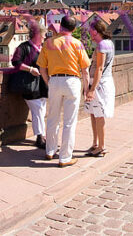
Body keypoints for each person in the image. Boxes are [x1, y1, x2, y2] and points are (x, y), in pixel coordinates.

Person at [38, 17, 94, 167]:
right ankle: (65, 157)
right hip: (72, 82)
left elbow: (42, 68)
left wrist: (48, 82)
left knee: (52, 118)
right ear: (74, 29)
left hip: (55, 80)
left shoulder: (49, 43)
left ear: (60, 26)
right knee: (69, 122)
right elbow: (85, 70)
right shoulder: (77, 44)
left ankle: (50, 151)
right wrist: (86, 89)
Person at [8, 23, 49, 151]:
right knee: (37, 110)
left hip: (41, 84)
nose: (44, 37)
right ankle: (40, 137)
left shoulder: (42, 48)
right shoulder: (24, 47)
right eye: (43, 35)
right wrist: (30, 69)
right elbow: (15, 62)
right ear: (37, 35)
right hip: (29, 84)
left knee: (41, 110)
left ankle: (41, 136)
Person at [82, 19, 117, 158]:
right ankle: (95, 143)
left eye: (90, 30)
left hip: (99, 84)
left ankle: (101, 147)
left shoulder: (101, 45)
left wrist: (91, 89)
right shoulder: (109, 43)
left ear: (96, 31)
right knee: (94, 113)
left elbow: (99, 68)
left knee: (98, 114)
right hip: (104, 82)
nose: (89, 32)